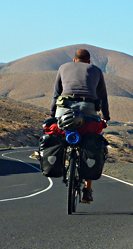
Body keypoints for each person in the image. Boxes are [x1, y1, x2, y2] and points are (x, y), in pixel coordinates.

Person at [50, 49, 110, 202]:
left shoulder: (63, 67)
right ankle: (88, 190)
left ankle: (63, 162)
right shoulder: (96, 70)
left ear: (74, 60)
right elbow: (103, 96)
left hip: (64, 109)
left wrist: (52, 114)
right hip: (88, 109)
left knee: (60, 136)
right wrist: (106, 115)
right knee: (92, 140)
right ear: (89, 61)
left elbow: (57, 93)